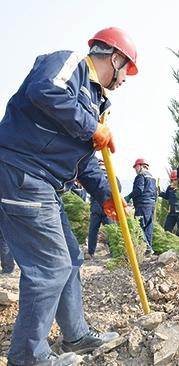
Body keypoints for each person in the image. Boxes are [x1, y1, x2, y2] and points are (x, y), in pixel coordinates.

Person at [0, 27, 137, 366]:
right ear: (115, 58)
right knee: (50, 265)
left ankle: (75, 336)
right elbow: (43, 90)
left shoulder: (95, 102)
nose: (125, 80)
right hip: (22, 172)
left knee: (71, 257)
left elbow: (85, 161)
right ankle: (28, 357)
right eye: (127, 70)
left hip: (45, 181)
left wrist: (108, 196)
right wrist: (91, 128)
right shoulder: (70, 64)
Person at [87, 159, 121, 258]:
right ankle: (114, 252)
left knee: (93, 230)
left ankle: (91, 252)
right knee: (111, 230)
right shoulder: (113, 176)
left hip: (96, 207)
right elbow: (118, 190)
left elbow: (88, 189)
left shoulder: (94, 176)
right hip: (108, 207)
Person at [125, 158, 158, 254]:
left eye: (136, 167)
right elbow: (156, 193)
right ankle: (149, 249)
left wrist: (129, 197)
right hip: (151, 205)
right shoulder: (152, 177)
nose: (135, 169)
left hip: (142, 205)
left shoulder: (141, 176)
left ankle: (147, 248)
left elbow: (138, 190)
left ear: (140, 165)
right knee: (148, 227)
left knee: (138, 226)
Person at [159, 170, 179, 236]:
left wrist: (177, 189)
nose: (173, 181)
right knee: (167, 229)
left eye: (175, 179)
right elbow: (166, 196)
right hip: (171, 212)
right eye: (172, 180)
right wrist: (160, 193)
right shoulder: (169, 188)